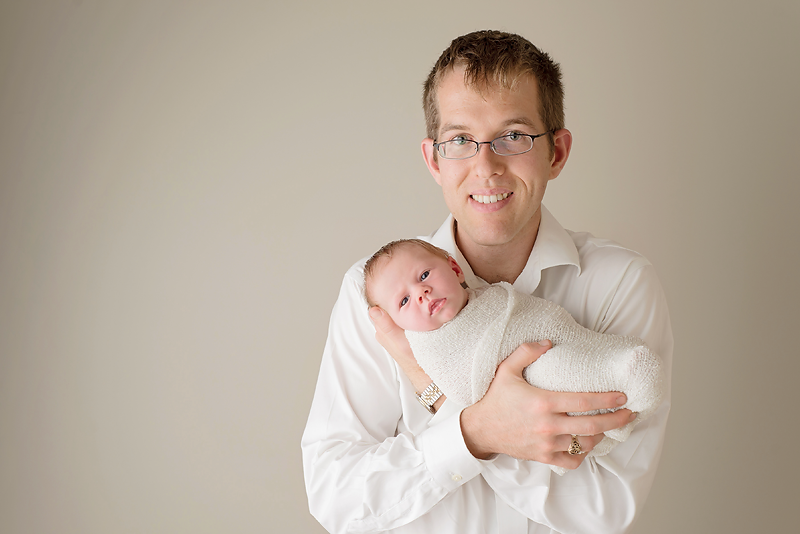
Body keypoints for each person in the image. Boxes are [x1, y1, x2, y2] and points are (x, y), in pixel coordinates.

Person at [302, 30, 672, 533]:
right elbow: (335, 494)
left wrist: (440, 401)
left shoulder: (619, 284)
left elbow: (603, 510)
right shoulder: (375, 295)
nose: (486, 167)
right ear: (434, 159)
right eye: (460, 141)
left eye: (514, 136)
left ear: (557, 153)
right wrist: (473, 433)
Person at [362, 238, 665, 475]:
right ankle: (621, 380)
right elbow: (464, 388)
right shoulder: (429, 347)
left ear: (455, 269)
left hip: (550, 339)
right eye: (404, 300)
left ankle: (617, 375)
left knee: (576, 351)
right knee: (557, 370)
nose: (422, 292)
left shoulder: (625, 274)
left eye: (424, 275)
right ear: (400, 324)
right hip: (536, 375)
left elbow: (537, 319)